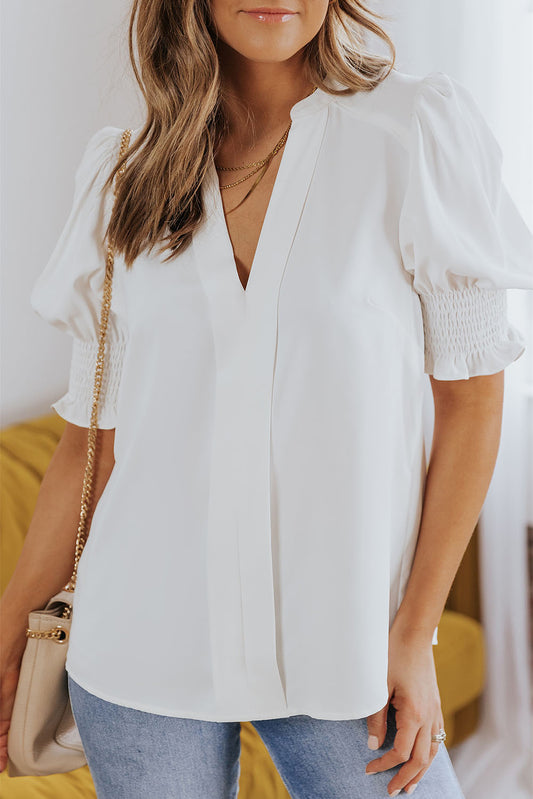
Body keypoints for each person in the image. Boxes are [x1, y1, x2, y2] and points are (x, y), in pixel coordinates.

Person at [1, 0, 533, 796]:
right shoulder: (124, 174)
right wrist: (8, 635)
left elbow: (472, 405)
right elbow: (90, 439)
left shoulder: (413, 133)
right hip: (139, 646)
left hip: (347, 648)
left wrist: (413, 634)